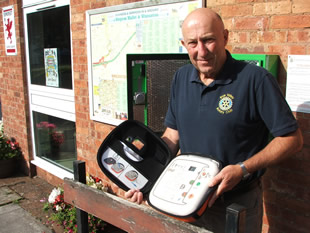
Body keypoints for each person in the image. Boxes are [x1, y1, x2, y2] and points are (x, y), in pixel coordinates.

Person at [125, 8, 303, 233]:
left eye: (208, 40)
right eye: (192, 43)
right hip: (185, 199)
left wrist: (242, 169)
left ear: (225, 37)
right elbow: (172, 136)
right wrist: (148, 178)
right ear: (184, 44)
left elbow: (291, 139)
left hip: (236, 205)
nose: (201, 51)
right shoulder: (181, 78)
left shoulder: (255, 80)